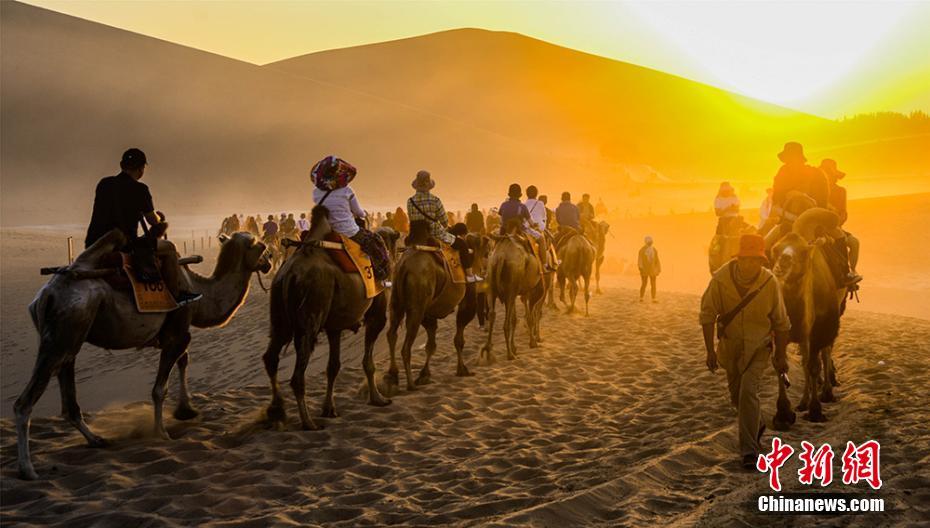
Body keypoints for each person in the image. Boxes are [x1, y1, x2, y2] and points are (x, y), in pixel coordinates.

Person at [700, 234, 789, 468]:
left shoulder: (769, 283)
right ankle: (757, 423)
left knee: (748, 391)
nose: (750, 265)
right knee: (737, 396)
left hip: (759, 347)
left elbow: (781, 323)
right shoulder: (720, 280)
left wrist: (781, 355)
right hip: (730, 347)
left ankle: (749, 452)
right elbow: (707, 315)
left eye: (755, 260)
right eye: (746, 259)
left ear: (762, 262)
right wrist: (710, 351)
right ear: (738, 259)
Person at [84, 148, 201, 306]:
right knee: (170, 248)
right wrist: (160, 217)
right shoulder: (140, 189)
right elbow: (152, 220)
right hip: (123, 244)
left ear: (121, 165)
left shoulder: (104, 184)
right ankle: (176, 295)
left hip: (93, 244)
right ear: (141, 170)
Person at [311, 155, 392, 284]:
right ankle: (381, 277)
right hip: (349, 232)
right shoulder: (347, 190)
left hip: (327, 233)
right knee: (376, 241)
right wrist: (364, 214)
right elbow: (358, 212)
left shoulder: (315, 192)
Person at [407, 170, 481, 282]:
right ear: (429, 186)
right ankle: (470, 276)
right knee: (462, 245)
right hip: (435, 235)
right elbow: (444, 222)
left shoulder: (410, 201)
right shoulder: (435, 200)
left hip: (415, 237)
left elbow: (412, 219)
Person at [820, 159, 862, 284]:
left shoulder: (840, 191)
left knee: (854, 243)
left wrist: (836, 224)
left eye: (829, 173)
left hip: (834, 226)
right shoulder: (816, 190)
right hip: (815, 225)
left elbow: (843, 214)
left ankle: (851, 271)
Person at [771, 142, 829, 212]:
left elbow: (822, 200)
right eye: (787, 160)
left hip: (813, 213)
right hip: (787, 214)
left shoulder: (816, 173)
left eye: (790, 159)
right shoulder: (783, 171)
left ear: (798, 158)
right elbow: (777, 195)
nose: (788, 163)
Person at [638, 236, 661, 302]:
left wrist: (658, 269)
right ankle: (641, 297)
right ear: (646, 242)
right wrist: (640, 267)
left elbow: (657, 260)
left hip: (652, 270)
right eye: (649, 242)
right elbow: (640, 260)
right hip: (644, 270)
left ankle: (653, 298)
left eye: (651, 242)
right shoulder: (642, 250)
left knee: (653, 284)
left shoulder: (654, 250)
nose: (650, 243)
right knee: (644, 283)